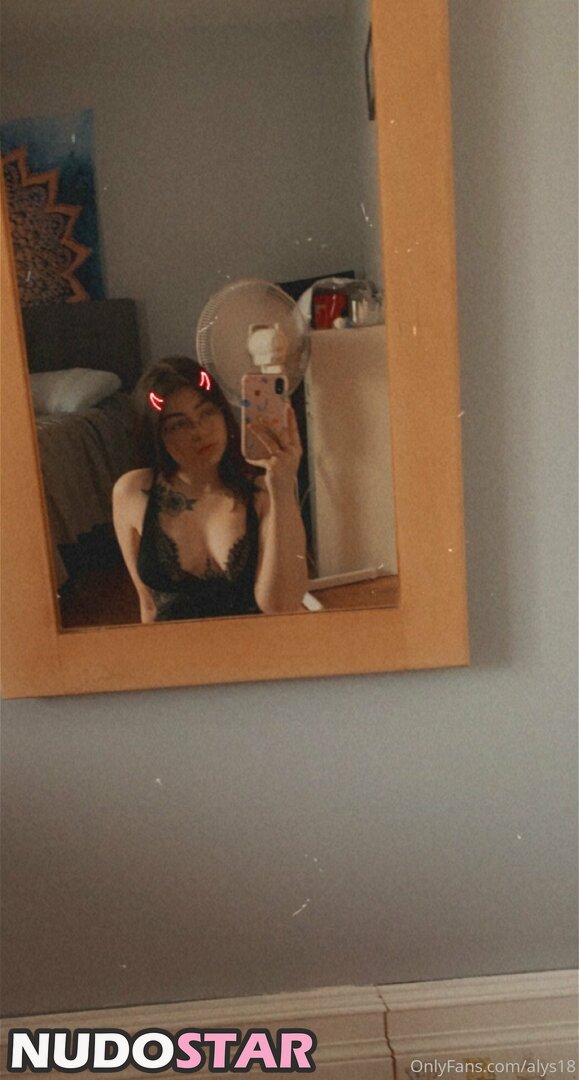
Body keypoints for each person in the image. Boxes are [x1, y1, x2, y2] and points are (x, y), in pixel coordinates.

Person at [112, 356, 308, 623]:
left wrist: (283, 488)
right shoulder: (133, 492)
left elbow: (281, 606)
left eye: (207, 412)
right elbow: (147, 606)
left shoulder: (264, 493)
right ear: (157, 435)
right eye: (178, 424)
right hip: (175, 647)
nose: (199, 431)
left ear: (223, 412)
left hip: (253, 645)